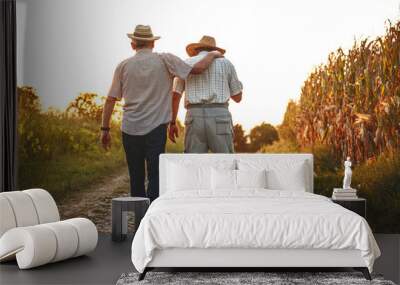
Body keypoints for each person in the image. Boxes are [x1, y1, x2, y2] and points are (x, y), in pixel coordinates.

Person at [100, 25, 222, 202]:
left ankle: (140, 221)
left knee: (136, 176)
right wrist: (212, 54)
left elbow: (111, 99)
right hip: (156, 128)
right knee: (156, 175)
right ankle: (153, 218)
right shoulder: (166, 60)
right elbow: (197, 69)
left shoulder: (123, 66)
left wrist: (105, 129)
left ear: (133, 45)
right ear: (152, 44)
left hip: (130, 128)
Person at [170, 35, 243, 153]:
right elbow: (238, 97)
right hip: (220, 117)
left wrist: (172, 122)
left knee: (193, 165)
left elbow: (175, 97)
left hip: (193, 117)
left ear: (197, 49)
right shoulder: (226, 64)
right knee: (225, 165)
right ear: (215, 50)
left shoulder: (186, 64)